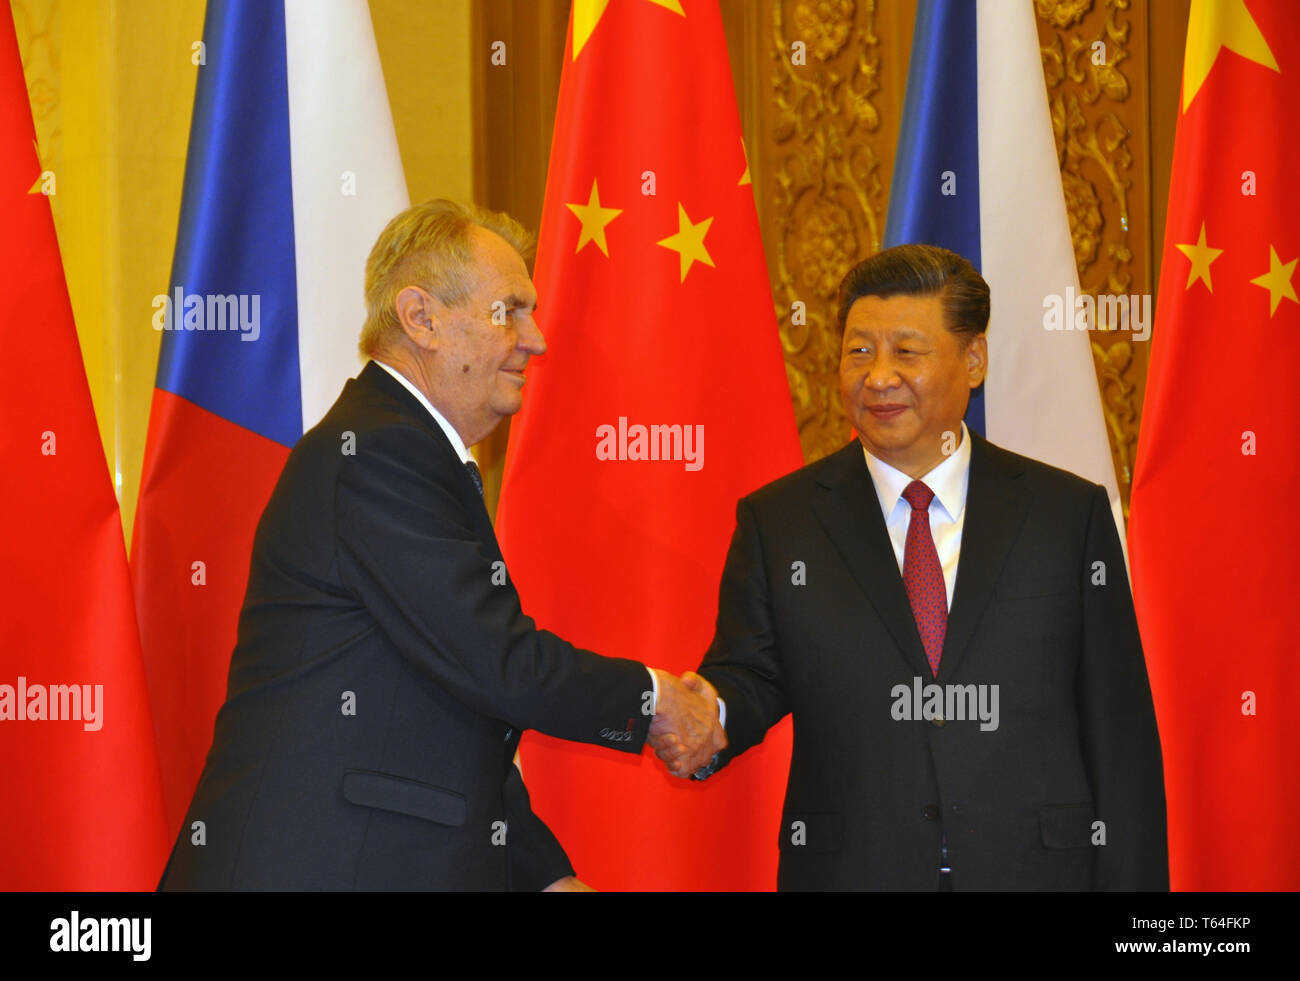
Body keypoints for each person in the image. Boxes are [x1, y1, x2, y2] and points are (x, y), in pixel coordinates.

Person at [158, 199, 723, 891]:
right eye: (508, 310)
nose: (536, 338)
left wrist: (548, 877)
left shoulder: (403, 448)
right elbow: (495, 659)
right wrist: (657, 698)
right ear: (421, 318)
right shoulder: (377, 451)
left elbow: (449, 703)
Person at [659, 244, 1168, 890]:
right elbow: (750, 675)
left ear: (973, 359)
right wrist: (708, 709)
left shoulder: (1067, 517)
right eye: (859, 351)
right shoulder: (780, 522)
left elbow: (1118, 736)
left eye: (906, 351)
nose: (878, 377)